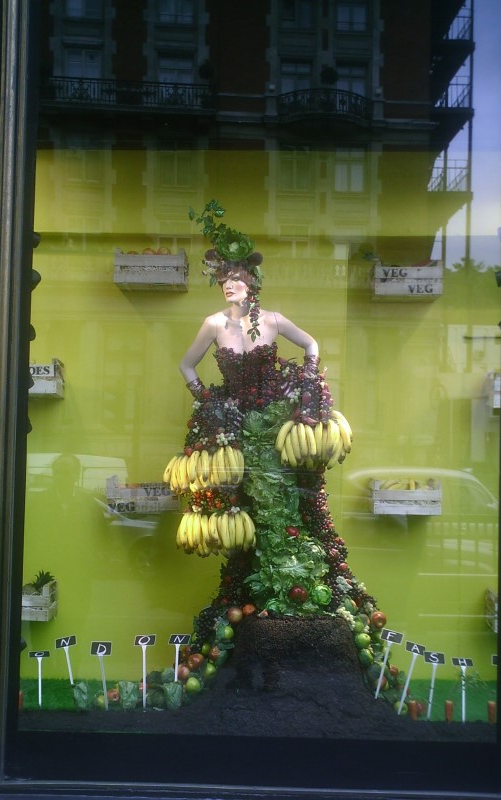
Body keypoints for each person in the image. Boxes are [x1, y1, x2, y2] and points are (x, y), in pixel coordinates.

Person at [163, 202, 394, 698]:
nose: (229, 285)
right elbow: (186, 365)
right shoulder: (212, 324)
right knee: (253, 509)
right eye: (223, 279)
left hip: (277, 426)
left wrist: (309, 383)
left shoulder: (273, 320)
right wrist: (207, 400)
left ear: (252, 283)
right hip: (237, 432)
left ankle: (293, 585)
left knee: (288, 504)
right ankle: (264, 590)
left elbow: (311, 345)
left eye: (236, 278)